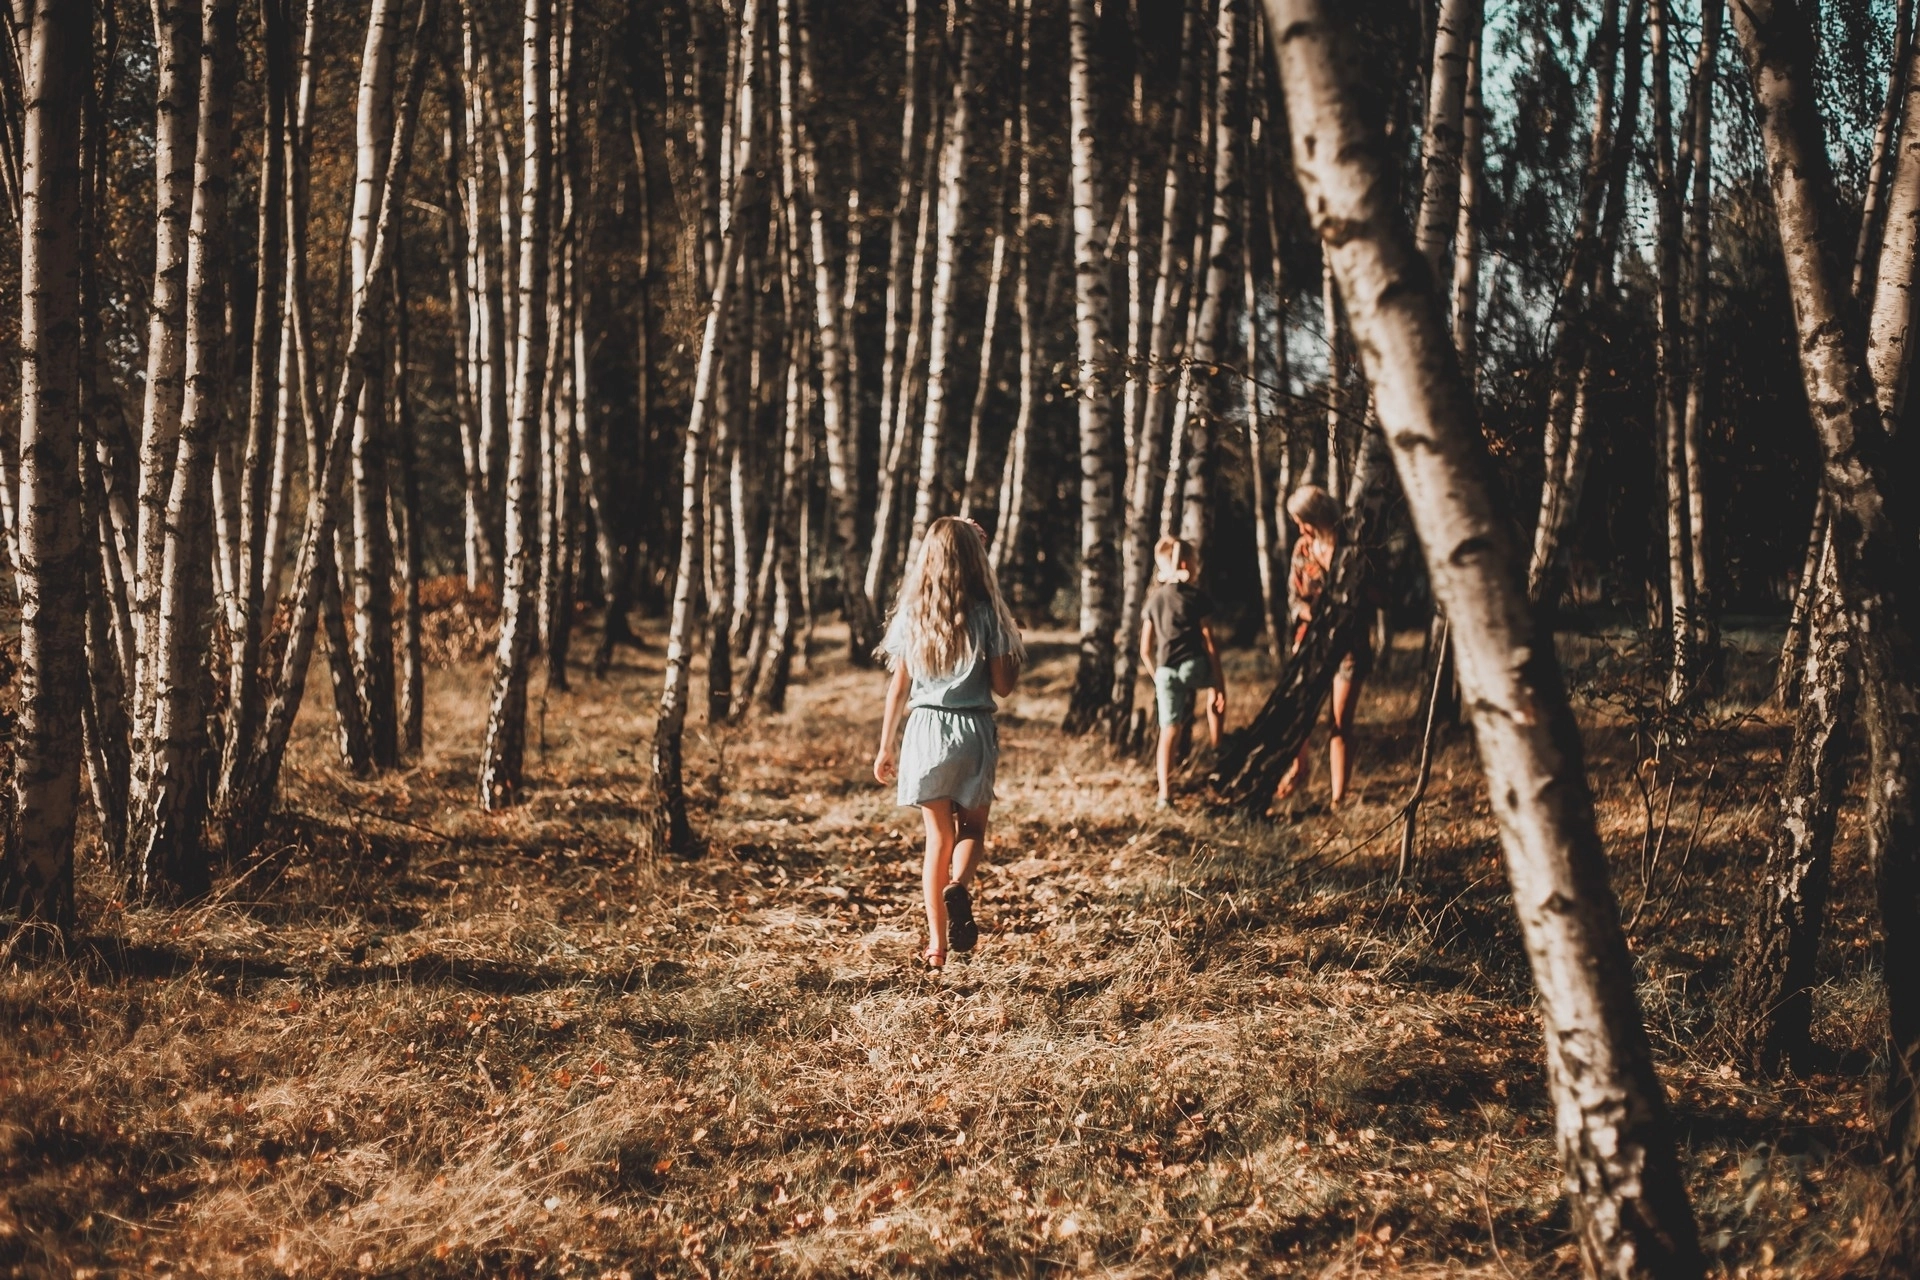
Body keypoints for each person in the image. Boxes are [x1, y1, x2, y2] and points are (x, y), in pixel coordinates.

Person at [873, 517, 1025, 971]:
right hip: (972, 730)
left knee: (937, 837)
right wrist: (1013, 642)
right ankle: (959, 885)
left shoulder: (913, 614)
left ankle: (936, 948)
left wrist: (885, 746)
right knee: (972, 829)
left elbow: (898, 687)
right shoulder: (988, 614)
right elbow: (1003, 687)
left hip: (924, 730)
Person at [1275, 484, 1371, 806]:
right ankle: (1298, 769)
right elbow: (1294, 598)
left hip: (1349, 646)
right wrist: (1308, 613)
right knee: (1297, 714)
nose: (1300, 528)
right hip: (1310, 644)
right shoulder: (1303, 549)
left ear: (1318, 517)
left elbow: (1376, 593)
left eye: (1302, 521)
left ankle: (1339, 798)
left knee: (1339, 722)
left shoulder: (1351, 547)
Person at [1139, 536, 1227, 810]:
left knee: (1169, 730)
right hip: (1192, 666)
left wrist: (1156, 677)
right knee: (1214, 696)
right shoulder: (1197, 598)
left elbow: (1145, 649)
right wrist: (1218, 684)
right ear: (1187, 565)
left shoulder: (1154, 600)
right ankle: (1218, 750)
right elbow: (1210, 642)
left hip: (1165, 672)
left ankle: (1164, 795)